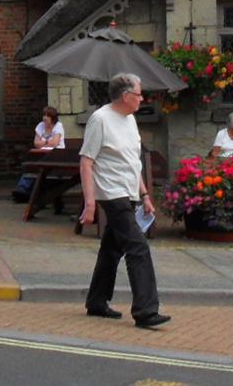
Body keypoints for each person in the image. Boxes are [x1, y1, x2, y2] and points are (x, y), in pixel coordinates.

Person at [79, 73, 168, 329]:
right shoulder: (100, 119)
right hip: (112, 193)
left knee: (111, 249)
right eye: (139, 94)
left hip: (129, 193)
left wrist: (145, 195)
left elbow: (132, 161)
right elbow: (86, 162)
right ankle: (145, 311)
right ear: (126, 96)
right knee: (138, 247)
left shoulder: (130, 120)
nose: (142, 98)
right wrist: (90, 203)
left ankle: (96, 301)